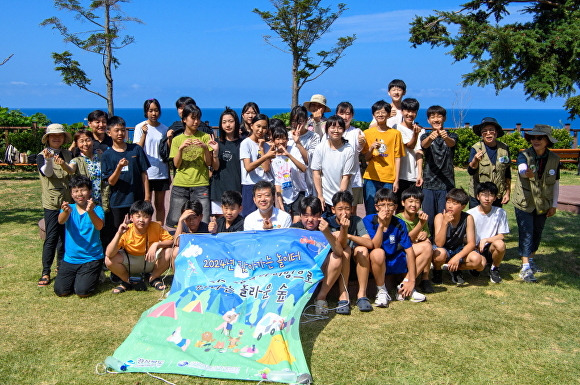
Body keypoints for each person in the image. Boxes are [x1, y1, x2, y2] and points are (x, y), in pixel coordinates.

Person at [513, 124, 561, 283]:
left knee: (537, 232)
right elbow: (521, 167)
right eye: (533, 137)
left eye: (539, 137)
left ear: (547, 140)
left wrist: (553, 205)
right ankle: (525, 267)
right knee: (526, 231)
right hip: (525, 202)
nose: (535, 140)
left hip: (543, 202)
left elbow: (556, 183)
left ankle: (531, 259)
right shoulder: (524, 155)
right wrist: (525, 172)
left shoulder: (554, 159)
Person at [290, 196, 351, 315]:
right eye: (306, 215)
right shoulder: (294, 229)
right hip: (302, 272)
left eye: (314, 215)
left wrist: (327, 233)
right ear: (301, 215)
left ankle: (321, 298)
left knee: (336, 259)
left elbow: (339, 252)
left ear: (321, 214)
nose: (310, 219)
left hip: (321, 271)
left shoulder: (326, 227)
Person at [363, 188, 424, 308]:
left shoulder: (399, 223)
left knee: (426, 247)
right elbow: (375, 245)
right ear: (376, 207)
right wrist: (381, 225)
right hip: (376, 263)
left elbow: (409, 250)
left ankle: (404, 287)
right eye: (382, 205)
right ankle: (381, 291)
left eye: (390, 205)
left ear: (395, 206)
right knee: (377, 253)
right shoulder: (368, 220)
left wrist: (411, 280)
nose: (386, 209)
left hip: (395, 260)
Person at [322, 191, 374, 313]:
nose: (344, 212)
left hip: (356, 263)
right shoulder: (328, 222)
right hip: (338, 262)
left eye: (347, 208)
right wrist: (343, 229)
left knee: (363, 250)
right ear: (333, 209)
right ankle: (343, 295)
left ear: (352, 209)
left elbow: (369, 243)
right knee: (345, 251)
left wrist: (348, 235)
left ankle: (362, 295)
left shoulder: (356, 220)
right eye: (340, 209)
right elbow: (341, 247)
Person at [105, 200, 173, 294]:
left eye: (146, 216)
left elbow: (171, 241)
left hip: (150, 260)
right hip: (130, 262)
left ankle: (153, 278)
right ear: (131, 217)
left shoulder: (155, 227)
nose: (141, 220)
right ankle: (127, 281)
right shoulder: (126, 229)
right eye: (138, 216)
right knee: (108, 259)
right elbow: (109, 253)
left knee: (169, 252)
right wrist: (119, 233)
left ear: (150, 218)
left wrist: (156, 244)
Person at [167, 104, 218, 226]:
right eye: (193, 118)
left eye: (198, 118)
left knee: (203, 221)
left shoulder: (205, 137)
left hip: (201, 184)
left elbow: (209, 163)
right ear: (184, 119)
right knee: (176, 221)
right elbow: (177, 165)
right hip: (181, 184)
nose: (196, 121)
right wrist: (180, 149)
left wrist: (205, 148)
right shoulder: (177, 139)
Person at [54, 175, 105, 297]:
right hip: (71, 258)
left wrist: (90, 212)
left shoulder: (97, 209)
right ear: (71, 194)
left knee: (82, 291)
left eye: (83, 190)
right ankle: (80, 276)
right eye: (75, 191)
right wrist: (65, 212)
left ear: (90, 192)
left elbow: (99, 226)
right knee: (61, 291)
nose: (79, 194)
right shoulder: (69, 208)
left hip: (91, 258)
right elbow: (61, 221)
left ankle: (97, 274)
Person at [37, 124, 73, 287]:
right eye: (53, 136)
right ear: (48, 139)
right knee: (51, 237)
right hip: (52, 202)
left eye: (60, 135)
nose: (56, 138)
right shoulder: (41, 156)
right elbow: (48, 173)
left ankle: (61, 267)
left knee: (64, 237)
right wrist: (49, 160)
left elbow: (71, 171)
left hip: (66, 201)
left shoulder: (68, 154)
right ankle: (46, 271)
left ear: (64, 138)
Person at [101, 116, 151, 230]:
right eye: (116, 130)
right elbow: (111, 182)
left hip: (137, 199)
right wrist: (119, 167)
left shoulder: (136, 149)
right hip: (118, 201)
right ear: (109, 133)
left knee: (138, 230)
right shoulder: (107, 155)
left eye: (123, 130)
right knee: (120, 231)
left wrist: (147, 197)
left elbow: (144, 173)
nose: (120, 133)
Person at [432, 188, 486, 286]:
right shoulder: (440, 217)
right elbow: (439, 243)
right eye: (448, 202)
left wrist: (457, 257)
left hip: (458, 248)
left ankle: (454, 268)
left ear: (463, 206)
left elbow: (471, 243)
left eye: (455, 203)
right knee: (440, 254)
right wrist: (445, 222)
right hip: (443, 248)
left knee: (478, 261)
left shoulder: (468, 218)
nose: (450, 206)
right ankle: (437, 271)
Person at [396, 186, 442, 294]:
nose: (413, 205)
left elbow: (425, 235)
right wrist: (420, 225)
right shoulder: (398, 219)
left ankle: (422, 279)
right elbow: (406, 240)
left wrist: (425, 234)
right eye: (410, 201)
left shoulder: (421, 217)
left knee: (427, 243)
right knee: (426, 246)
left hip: (415, 248)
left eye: (417, 202)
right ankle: (409, 282)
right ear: (403, 203)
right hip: (401, 250)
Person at [362, 100, 405, 214]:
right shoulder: (367, 133)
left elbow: (398, 157)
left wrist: (396, 180)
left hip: (389, 178)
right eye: (377, 112)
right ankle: (371, 232)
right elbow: (366, 158)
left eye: (383, 112)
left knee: (387, 210)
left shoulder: (395, 134)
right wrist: (371, 148)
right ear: (373, 115)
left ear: (389, 114)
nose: (380, 115)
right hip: (371, 177)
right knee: (371, 210)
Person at [420, 105, 458, 233]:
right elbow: (423, 145)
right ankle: (429, 242)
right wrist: (431, 137)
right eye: (432, 117)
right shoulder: (425, 136)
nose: (436, 119)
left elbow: (452, 143)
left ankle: (443, 244)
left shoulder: (452, 135)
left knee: (445, 216)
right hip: (429, 184)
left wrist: (445, 137)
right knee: (428, 217)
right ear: (428, 121)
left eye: (439, 116)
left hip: (447, 185)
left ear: (444, 118)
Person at [133, 98, 170, 224]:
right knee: (145, 204)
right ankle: (145, 229)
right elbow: (137, 149)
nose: (154, 113)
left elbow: (167, 151)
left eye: (156, 110)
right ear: (146, 112)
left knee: (160, 205)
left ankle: (159, 230)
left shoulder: (164, 129)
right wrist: (144, 134)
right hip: (145, 172)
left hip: (161, 172)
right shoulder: (140, 127)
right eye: (150, 111)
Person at [466, 182, 509, 284]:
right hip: (474, 247)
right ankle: (475, 266)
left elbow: (502, 235)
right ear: (478, 196)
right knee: (479, 266)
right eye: (484, 195)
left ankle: (494, 268)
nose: (487, 198)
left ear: (495, 198)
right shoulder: (470, 214)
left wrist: (486, 240)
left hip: (490, 247)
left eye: (490, 195)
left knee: (500, 244)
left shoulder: (500, 212)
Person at [468, 117, 511, 208]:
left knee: (494, 221)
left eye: (491, 130)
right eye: (484, 131)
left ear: (496, 132)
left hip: (496, 196)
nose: (488, 133)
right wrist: (475, 160)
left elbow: (507, 173)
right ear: (481, 134)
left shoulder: (504, 148)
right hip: (478, 196)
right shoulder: (476, 148)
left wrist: (507, 192)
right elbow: (470, 171)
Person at [239, 114, 276, 217]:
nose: (261, 130)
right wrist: (266, 156)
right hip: (250, 184)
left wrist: (262, 149)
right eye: (258, 126)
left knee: (268, 217)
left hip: (266, 184)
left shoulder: (266, 145)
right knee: (249, 217)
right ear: (252, 126)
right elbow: (248, 167)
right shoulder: (245, 143)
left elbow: (266, 168)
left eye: (264, 127)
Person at [159, 97, 213, 165]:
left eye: (185, 107)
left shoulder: (204, 129)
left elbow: (211, 155)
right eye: (180, 108)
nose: (182, 110)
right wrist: (169, 140)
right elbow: (167, 153)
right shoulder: (173, 127)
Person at [270, 124, 307, 222]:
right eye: (277, 139)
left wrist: (288, 155)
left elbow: (303, 168)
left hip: (298, 192)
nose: (281, 141)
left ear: (287, 139)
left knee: (297, 221)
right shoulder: (272, 156)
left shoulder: (293, 150)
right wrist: (279, 201)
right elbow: (277, 180)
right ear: (273, 140)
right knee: (285, 222)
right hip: (284, 195)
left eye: (283, 138)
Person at [210, 108, 243, 216]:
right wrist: (215, 152)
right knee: (219, 224)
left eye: (231, 121)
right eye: (224, 122)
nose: (227, 125)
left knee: (237, 224)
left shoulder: (243, 143)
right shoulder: (217, 142)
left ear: (236, 122)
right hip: (219, 190)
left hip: (237, 189)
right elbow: (215, 167)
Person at [393, 98, 425, 204]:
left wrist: (419, 174)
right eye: (407, 111)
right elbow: (410, 145)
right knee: (399, 207)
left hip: (414, 176)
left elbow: (419, 152)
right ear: (402, 111)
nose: (410, 114)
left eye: (413, 111)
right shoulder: (396, 129)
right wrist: (415, 134)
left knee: (414, 205)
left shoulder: (421, 130)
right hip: (400, 175)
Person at [336, 101, 366, 212]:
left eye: (347, 113)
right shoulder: (331, 131)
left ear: (352, 115)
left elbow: (360, 148)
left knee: (351, 211)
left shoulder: (357, 132)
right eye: (341, 113)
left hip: (353, 178)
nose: (344, 117)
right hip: (335, 177)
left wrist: (362, 143)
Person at [288, 105, 320, 197]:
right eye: (294, 121)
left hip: (307, 184)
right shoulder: (286, 137)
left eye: (300, 121)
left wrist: (298, 142)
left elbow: (310, 160)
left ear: (306, 120)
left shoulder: (313, 137)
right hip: (289, 185)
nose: (297, 125)